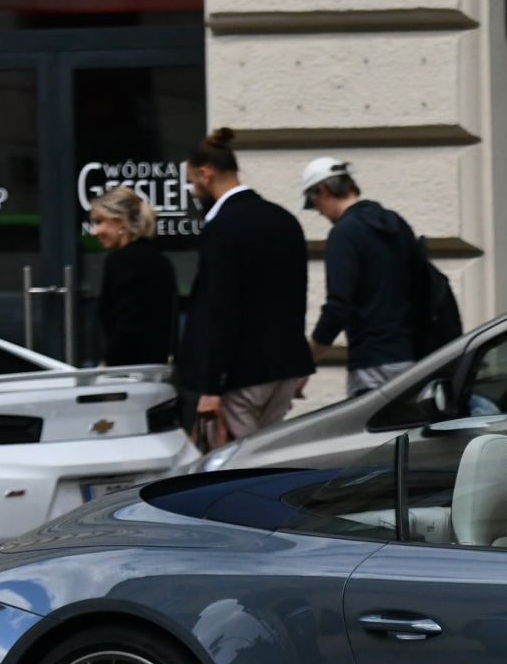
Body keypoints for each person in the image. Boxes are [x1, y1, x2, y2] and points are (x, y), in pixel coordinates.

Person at [172, 128, 313, 446]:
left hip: (241, 374)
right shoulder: (284, 219)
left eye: (193, 181)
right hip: (283, 367)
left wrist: (211, 387)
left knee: (238, 471)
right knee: (266, 459)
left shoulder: (222, 228)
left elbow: (221, 309)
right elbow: (295, 297)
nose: (193, 191)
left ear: (206, 174)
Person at [302, 157, 425, 397]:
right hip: (410, 358)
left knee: (374, 435)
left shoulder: (344, 233)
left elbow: (338, 307)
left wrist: (308, 360)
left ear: (322, 191)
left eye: (313, 203)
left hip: (372, 364)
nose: (318, 212)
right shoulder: (397, 224)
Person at [87, 185, 177, 366]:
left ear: (121, 221)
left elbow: (129, 325)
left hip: (129, 373)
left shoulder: (120, 261)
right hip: (157, 369)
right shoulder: (161, 261)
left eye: (99, 221)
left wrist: (107, 364)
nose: (94, 232)